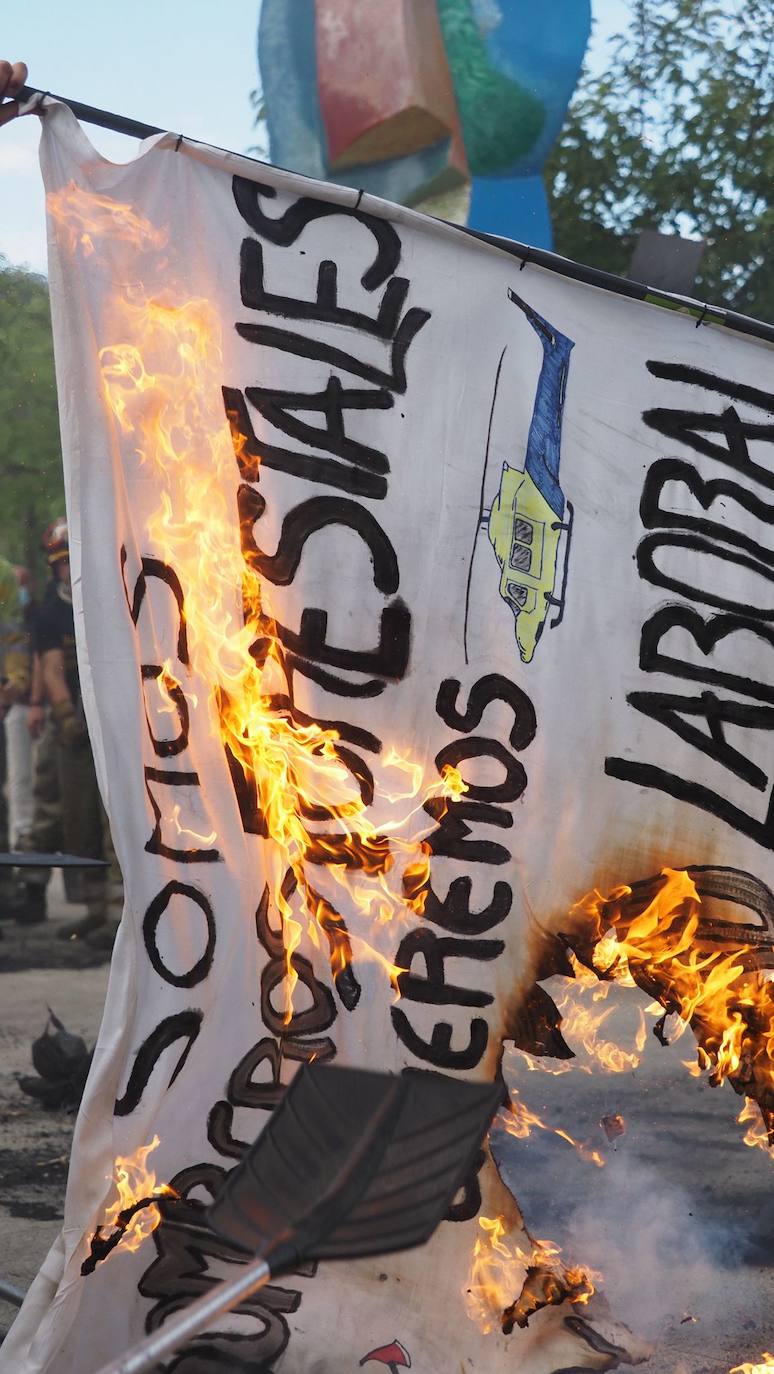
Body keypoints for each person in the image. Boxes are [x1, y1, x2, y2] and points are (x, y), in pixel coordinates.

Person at [36, 518, 119, 940]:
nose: (68, 569)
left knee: (113, 815)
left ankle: (120, 909)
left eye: (73, 560)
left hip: (110, 715)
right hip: (73, 721)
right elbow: (50, 668)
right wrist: (67, 716)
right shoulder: (49, 611)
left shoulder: (106, 600)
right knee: (79, 817)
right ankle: (93, 907)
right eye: (61, 563)